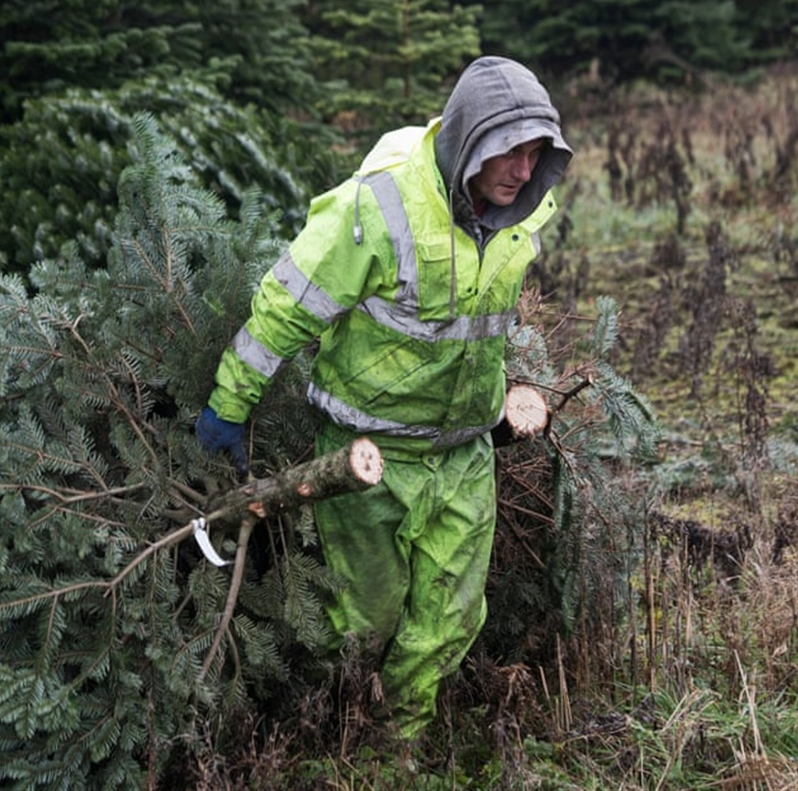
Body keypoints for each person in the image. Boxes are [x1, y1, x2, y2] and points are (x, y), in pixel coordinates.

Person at [196, 56, 572, 742]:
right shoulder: (381, 204)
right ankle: (337, 736)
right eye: (508, 152)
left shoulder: (523, 214)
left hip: (462, 458)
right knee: (365, 621)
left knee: (452, 620)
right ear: (468, 141)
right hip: (365, 456)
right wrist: (231, 402)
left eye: (535, 154)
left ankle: (395, 751)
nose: (523, 170)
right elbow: (290, 304)